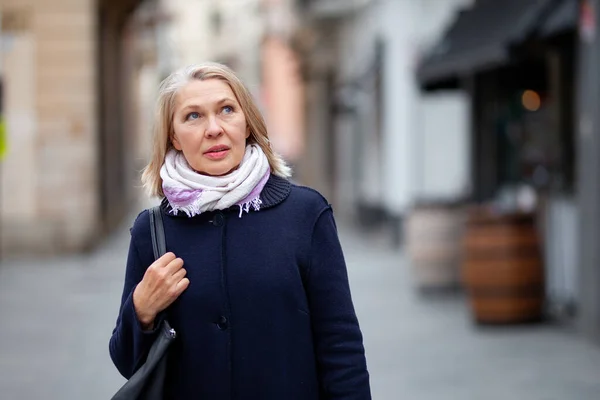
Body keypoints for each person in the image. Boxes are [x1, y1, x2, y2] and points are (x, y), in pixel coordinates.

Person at [109, 62, 371, 399]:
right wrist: (141, 310)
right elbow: (126, 362)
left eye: (227, 110)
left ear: (246, 122)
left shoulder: (305, 214)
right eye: (193, 116)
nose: (214, 129)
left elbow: (341, 343)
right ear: (173, 135)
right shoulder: (153, 230)